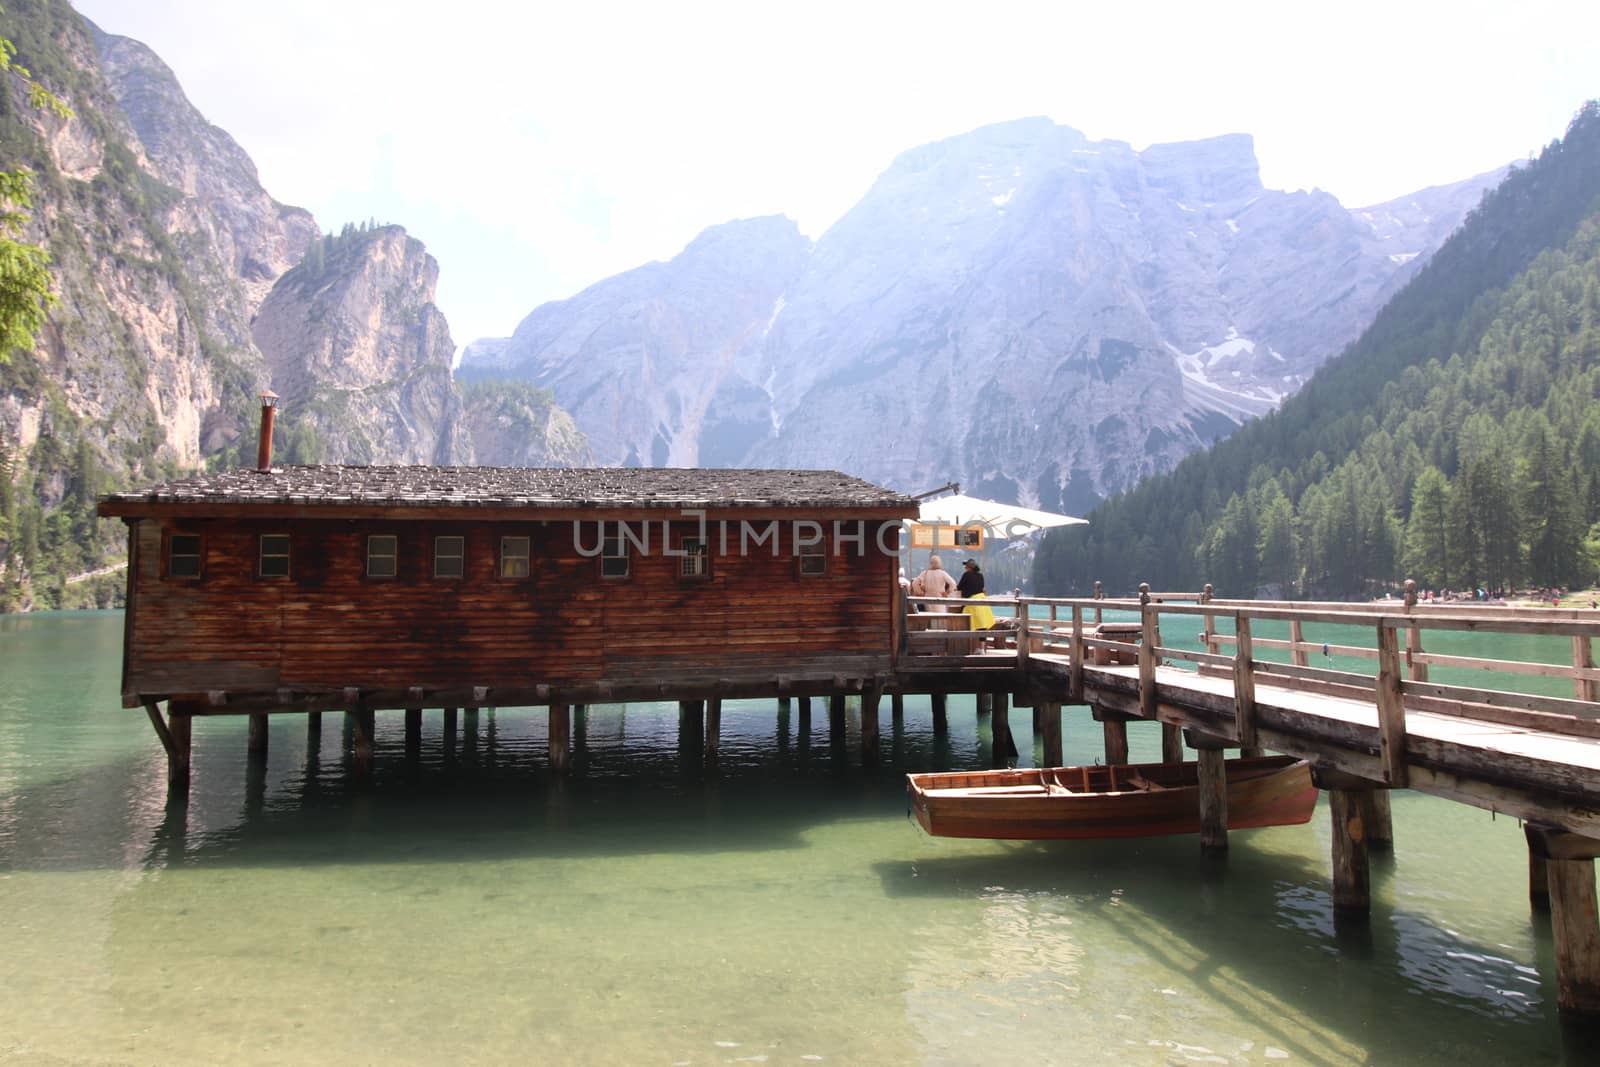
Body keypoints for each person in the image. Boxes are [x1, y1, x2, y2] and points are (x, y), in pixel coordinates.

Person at [957, 558, 994, 631]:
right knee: (982, 623)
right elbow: (981, 587)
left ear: (969, 567)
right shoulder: (980, 575)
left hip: (970, 601)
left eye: (966, 566)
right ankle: (982, 642)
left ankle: (965, 640)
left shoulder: (967, 574)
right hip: (982, 600)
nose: (965, 568)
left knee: (966, 621)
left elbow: (959, 587)